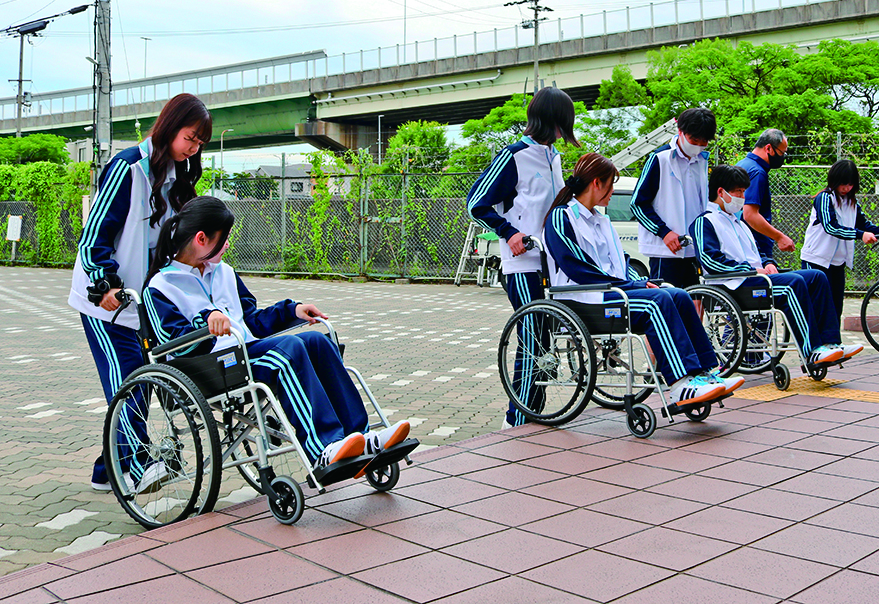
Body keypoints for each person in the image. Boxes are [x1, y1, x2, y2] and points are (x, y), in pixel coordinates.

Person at [144, 197, 411, 475]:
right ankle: (323, 447)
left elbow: (250, 321)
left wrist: (292, 311)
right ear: (201, 239)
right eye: (224, 239)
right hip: (210, 367)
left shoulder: (225, 273)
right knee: (289, 349)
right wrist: (206, 322)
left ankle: (360, 437)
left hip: (246, 351)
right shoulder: (161, 286)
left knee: (317, 341)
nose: (227, 245)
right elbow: (172, 344)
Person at [68, 92, 212, 492]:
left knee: (137, 380)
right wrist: (105, 283)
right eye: (190, 138)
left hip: (144, 302)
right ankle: (135, 467)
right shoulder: (128, 167)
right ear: (169, 127)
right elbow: (95, 235)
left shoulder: (178, 177)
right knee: (130, 380)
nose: (194, 148)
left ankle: (106, 470)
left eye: (200, 143)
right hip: (107, 300)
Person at [546, 153, 744, 407]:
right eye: (611, 184)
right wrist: (631, 286)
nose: (612, 191)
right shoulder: (562, 217)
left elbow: (621, 262)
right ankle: (680, 384)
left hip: (610, 293)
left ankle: (705, 372)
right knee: (656, 302)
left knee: (679, 295)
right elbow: (577, 268)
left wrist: (640, 281)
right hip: (584, 300)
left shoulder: (601, 220)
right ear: (597, 183)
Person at [466, 86, 577, 428]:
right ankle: (517, 419)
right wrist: (509, 232)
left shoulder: (553, 156)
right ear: (551, 120)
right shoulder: (514, 155)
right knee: (532, 336)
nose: (565, 131)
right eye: (563, 123)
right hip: (522, 263)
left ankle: (534, 413)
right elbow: (476, 203)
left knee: (544, 338)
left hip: (551, 263)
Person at [690, 165, 863, 371]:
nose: (743, 197)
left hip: (755, 279)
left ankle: (831, 343)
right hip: (735, 285)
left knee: (816, 276)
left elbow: (755, 253)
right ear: (721, 192)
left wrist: (768, 263)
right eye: (739, 192)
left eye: (744, 192)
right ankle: (811, 350)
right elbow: (710, 260)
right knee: (792, 284)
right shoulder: (705, 222)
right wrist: (750, 270)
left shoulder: (738, 223)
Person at [629, 107, 717, 288]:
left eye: (704, 142)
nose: (699, 145)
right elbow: (637, 204)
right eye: (694, 140)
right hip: (665, 251)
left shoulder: (702, 161)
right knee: (667, 299)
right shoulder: (660, 158)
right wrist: (664, 232)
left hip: (695, 249)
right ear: (680, 131)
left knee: (695, 299)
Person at [800, 159, 879, 320]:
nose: (846, 188)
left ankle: (834, 336)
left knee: (835, 308)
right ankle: (813, 336)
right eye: (843, 184)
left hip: (837, 263)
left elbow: (864, 225)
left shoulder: (852, 202)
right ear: (834, 180)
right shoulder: (824, 198)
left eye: (850, 184)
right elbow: (831, 227)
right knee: (817, 307)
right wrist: (860, 235)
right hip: (816, 260)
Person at [735, 129, 794, 264]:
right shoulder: (757, 172)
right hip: (756, 245)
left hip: (741, 241)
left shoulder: (742, 164)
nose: (782, 157)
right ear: (768, 148)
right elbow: (750, 214)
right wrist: (779, 237)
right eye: (782, 153)